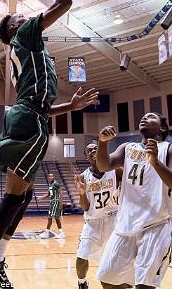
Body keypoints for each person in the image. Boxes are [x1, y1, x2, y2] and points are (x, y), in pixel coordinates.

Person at [0, 0, 99, 286]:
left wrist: (71, 108)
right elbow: (64, 3)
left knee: (21, 195)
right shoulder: (24, 37)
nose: (24, 14)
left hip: (30, 117)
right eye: (17, 15)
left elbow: (40, 106)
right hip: (27, 120)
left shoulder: (28, 50)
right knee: (14, 196)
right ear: (13, 28)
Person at [96, 112, 172, 289]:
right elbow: (103, 165)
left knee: (144, 285)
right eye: (143, 116)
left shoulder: (167, 149)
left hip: (157, 224)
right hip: (125, 225)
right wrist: (102, 143)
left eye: (151, 116)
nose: (144, 118)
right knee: (108, 280)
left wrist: (155, 163)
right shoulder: (127, 147)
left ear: (161, 127)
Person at [75, 142, 121, 289]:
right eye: (90, 150)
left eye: (96, 148)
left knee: (117, 257)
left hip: (114, 219)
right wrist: (82, 193)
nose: (94, 151)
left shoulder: (116, 171)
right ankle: (82, 283)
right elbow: (85, 206)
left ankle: (119, 282)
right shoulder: (83, 177)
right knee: (81, 257)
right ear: (86, 156)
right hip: (93, 221)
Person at [37, 173, 65, 239]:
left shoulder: (56, 183)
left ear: (53, 177)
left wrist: (61, 202)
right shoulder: (50, 185)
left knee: (50, 217)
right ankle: (61, 233)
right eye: (49, 176)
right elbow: (48, 194)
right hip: (52, 201)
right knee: (57, 218)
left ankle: (47, 232)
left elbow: (61, 192)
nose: (50, 177)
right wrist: (41, 197)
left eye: (51, 176)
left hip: (55, 201)